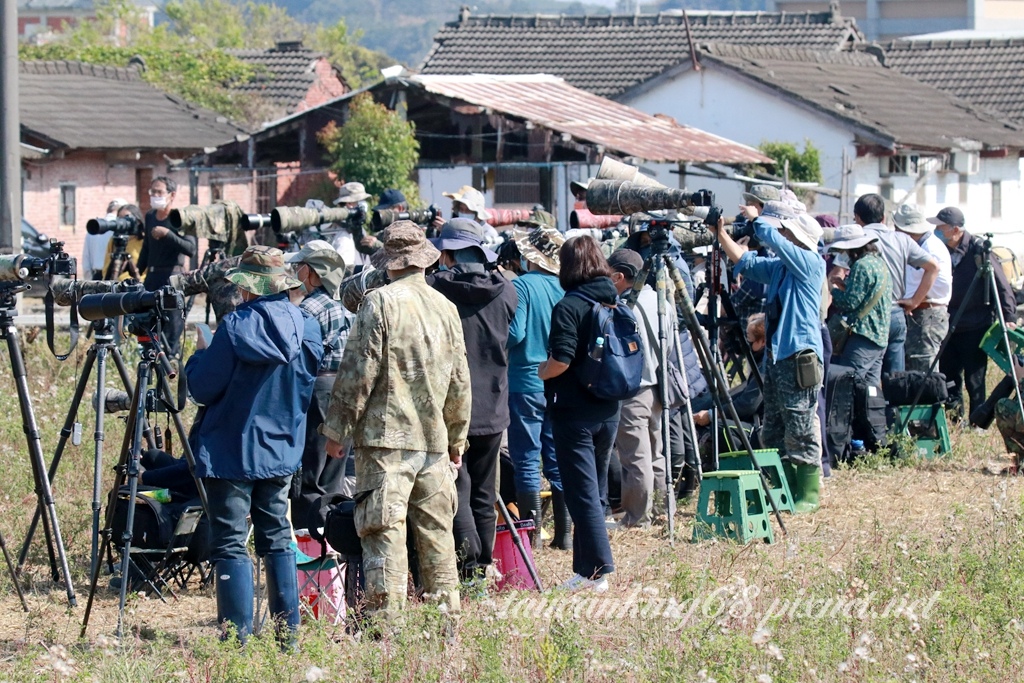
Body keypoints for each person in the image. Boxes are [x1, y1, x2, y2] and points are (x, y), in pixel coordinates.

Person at [322, 222, 471, 620]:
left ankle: (386, 631)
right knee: (437, 536)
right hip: (434, 443)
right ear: (425, 260)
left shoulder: (379, 303)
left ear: (388, 262)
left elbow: (357, 372)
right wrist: (457, 440)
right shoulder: (446, 308)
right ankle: (446, 624)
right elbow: (460, 381)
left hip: (384, 443)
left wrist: (337, 431)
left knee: (383, 533)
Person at [185, 246, 323, 646]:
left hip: (231, 449)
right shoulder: (308, 326)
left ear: (246, 287)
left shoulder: (233, 327)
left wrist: (199, 356)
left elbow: (202, 388)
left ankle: (236, 641)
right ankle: (288, 638)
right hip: (282, 448)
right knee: (278, 536)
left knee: (231, 541)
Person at [712, 200, 825, 514]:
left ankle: (808, 494)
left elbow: (774, 241)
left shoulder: (810, 263)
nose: (783, 236)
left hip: (799, 356)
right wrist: (721, 235)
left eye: (787, 233)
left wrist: (758, 220)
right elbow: (747, 262)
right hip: (777, 357)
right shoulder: (782, 269)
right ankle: (783, 487)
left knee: (800, 424)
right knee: (773, 426)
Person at [426, 218, 517, 582]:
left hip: (451, 407)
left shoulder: (434, 289)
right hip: (493, 405)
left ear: (447, 254)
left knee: (457, 487)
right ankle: (482, 564)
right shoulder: (506, 290)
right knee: (483, 490)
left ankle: (468, 569)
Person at [538, 235, 620, 592]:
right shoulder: (614, 300)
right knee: (594, 489)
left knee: (581, 492)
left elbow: (561, 359)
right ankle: (586, 568)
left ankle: (598, 571)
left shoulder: (569, 305)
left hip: (574, 410)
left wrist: (541, 371)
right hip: (609, 406)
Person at [507, 224, 569, 548]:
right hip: (559, 381)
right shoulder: (565, 288)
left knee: (527, 459)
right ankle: (565, 535)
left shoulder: (521, 286)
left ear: (529, 255)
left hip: (525, 381)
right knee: (557, 458)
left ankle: (533, 540)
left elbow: (515, 334)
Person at [283, 240, 350, 531]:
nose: (295, 271)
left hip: (317, 389)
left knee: (311, 468)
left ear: (310, 272)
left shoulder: (307, 308)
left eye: (299, 266)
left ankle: (309, 535)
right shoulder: (342, 306)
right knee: (333, 469)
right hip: (344, 387)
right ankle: (331, 531)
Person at [607, 248, 674, 528]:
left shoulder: (624, 307)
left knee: (635, 457)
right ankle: (662, 510)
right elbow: (669, 346)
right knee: (656, 453)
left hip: (633, 389)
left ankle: (637, 517)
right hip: (658, 386)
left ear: (620, 277)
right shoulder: (661, 301)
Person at [934, 207, 1017, 418]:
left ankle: (977, 421)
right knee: (949, 375)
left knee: (975, 379)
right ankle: (954, 418)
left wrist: (1009, 316)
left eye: (941, 227)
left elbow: (1002, 285)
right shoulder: (941, 250)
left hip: (975, 324)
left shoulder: (979, 250)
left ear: (955, 230)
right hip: (948, 323)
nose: (937, 231)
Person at [850, 193, 938, 377]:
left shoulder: (857, 239)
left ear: (857, 217)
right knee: (895, 378)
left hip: (869, 316)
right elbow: (933, 267)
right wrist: (914, 301)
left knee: (858, 377)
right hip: (895, 313)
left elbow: (837, 273)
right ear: (883, 217)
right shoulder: (902, 239)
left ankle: (868, 398)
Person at [137, 176, 196, 356]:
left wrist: (168, 234)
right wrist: (137, 270)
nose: (155, 195)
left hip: (172, 278)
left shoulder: (180, 218)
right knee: (148, 325)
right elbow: (147, 247)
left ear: (172, 195)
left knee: (172, 329)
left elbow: (190, 249)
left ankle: (172, 361)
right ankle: (150, 361)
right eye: (152, 191)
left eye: (159, 192)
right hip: (152, 277)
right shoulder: (150, 216)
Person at [827, 227, 892, 387]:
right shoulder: (879, 263)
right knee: (870, 389)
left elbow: (849, 303)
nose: (842, 255)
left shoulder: (861, 266)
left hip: (863, 336)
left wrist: (832, 290)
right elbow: (867, 294)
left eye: (843, 251)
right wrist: (845, 286)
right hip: (879, 336)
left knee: (846, 384)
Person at [892, 204, 953, 373]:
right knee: (914, 368)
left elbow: (939, 281)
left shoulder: (929, 248)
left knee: (923, 369)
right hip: (922, 313)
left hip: (927, 314)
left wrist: (914, 301)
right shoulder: (922, 244)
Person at [331, 182, 373, 271]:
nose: (363, 205)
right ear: (349, 204)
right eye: (359, 201)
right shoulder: (342, 235)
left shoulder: (356, 228)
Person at [83, 198, 125, 279]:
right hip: (115, 275)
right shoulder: (120, 228)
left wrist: (89, 280)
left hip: (96, 275)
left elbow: (86, 260)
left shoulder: (94, 226)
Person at [102, 204, 145, 281]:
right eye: (119, 218)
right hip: (116, 284)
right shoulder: (113, 241)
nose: (122, 222)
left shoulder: (144, 241)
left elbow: (147, 271)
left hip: (136, 284)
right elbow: (106, 269)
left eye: (126, 218)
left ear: (137, 221)